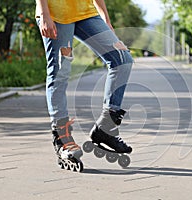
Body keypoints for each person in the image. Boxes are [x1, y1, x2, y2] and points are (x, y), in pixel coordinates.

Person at [35, 0, 133, 171]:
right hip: (56, 12)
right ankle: (62, 139)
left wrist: (105, 18)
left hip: (86, 12)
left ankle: (106, 126)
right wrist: (44, 13)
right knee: (60, 72)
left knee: (122, 59)